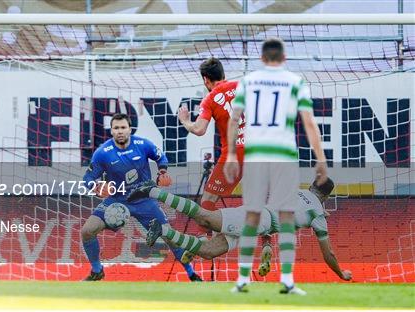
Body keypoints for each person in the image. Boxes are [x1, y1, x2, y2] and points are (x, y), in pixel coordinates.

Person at [223, 37, 328, 295]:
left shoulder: (248, 82)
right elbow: (309, 123)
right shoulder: (295, 82)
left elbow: (234, 120)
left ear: (261, 59)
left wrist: (231, 156)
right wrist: (321, 158)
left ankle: (243, 280)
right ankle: (288, 281)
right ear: (283, 59)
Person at [129, 178, 352, 282]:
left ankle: (164, 231)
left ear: (312, 185)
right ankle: (153, 192)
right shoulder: (318, 213)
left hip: (258, 220)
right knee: (205, 218)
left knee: (208, 251)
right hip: (257, 221)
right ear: (327, 196)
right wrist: (340, 273)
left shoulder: (294, 190)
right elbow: (328, 254)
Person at [80, 113, 202, 281]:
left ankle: (191, 274)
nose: (120, 131)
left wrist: (162, 172)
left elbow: (161, 157)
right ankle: (96, 271)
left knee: (169, 236)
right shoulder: (103, 153)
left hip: (144, 200)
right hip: (117, 200)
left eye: (123, 127)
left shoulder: (143, 145)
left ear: (130, 129)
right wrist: (97, 186)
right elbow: (87, 179)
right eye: (116, 128)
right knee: (87, 231)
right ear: (111, 131)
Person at [178, 57, 244, 212]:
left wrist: (185, 121)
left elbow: (199, 129)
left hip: (235, 154)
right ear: (223, 74)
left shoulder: (210, 99)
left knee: (208, 201)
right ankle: (267, 235)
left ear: (205, 79)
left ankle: (212, 236)